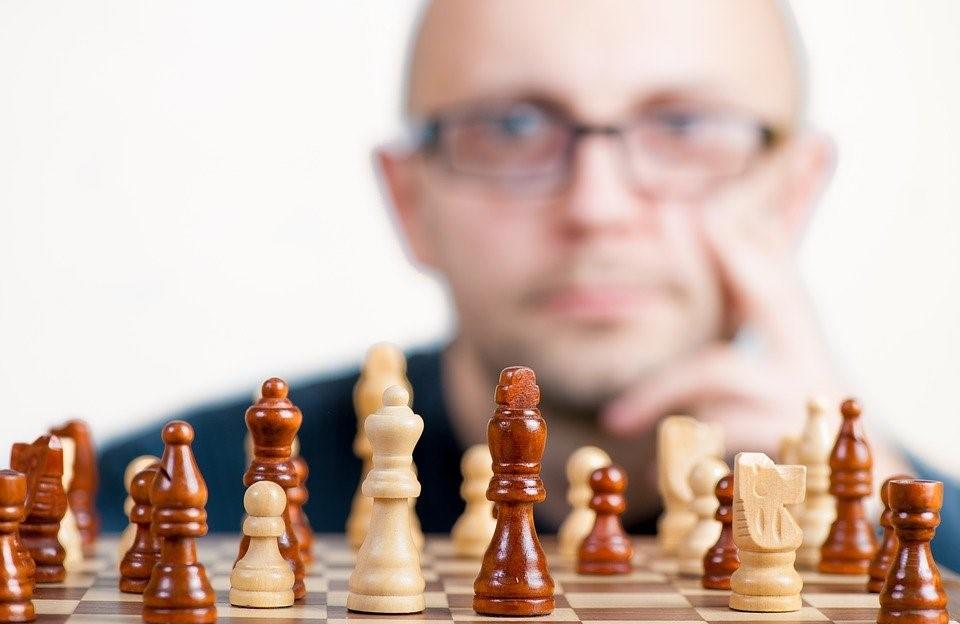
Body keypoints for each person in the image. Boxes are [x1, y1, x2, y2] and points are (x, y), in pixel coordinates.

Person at [98, 0, 910, 541]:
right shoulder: (131, 511)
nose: (597, 205)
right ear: (409, 200)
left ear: (794, 192)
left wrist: (872, 514)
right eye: (513, 126)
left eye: (686, 127)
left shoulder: (929, 544)